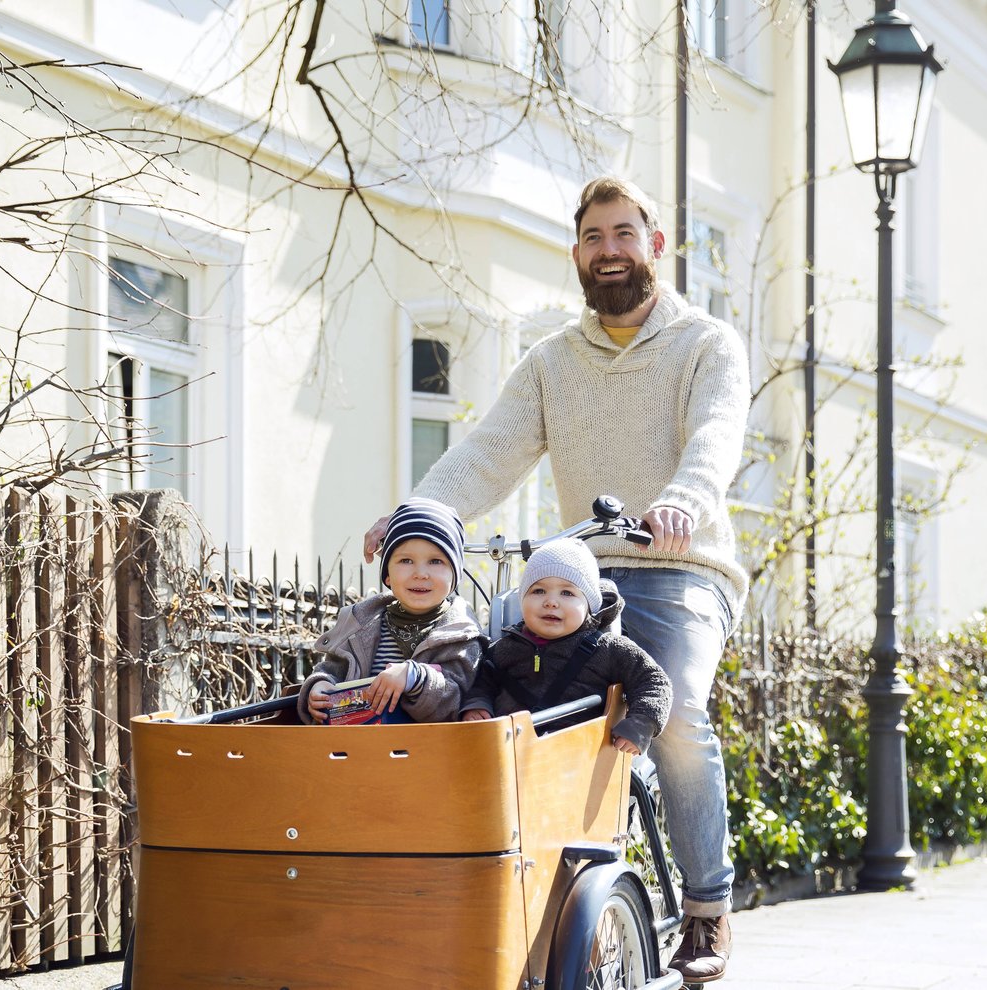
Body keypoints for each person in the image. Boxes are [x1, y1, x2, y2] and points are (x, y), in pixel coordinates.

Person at [365, 176, 749, 981]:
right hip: (579, 572)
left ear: (655, 245)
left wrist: (684, 498)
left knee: (674, 708)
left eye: (623, 234)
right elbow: (489, 450)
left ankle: (708, 912)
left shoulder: (706, 343)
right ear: (577, 254)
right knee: (479, 686)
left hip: (682, 565)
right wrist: (418, 512)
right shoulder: (553, 363)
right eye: (593, 238)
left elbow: (716, 435)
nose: (609, 250)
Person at [459, 540, 671, 759]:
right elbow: (482, 683)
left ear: (589, 604)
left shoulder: (607, 648)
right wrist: (477, 707)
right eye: (538, 591)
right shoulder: (505, 647)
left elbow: (654, 681)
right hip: (513, 757)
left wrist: (641, 723)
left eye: (567, 593)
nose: (551, 601)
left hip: (580, 758)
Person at [299, 498, 482, 724]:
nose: (420, 573)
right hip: (355, 747)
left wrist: (414, 677)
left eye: (435, 561)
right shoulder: (362, 624)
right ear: (387, 575)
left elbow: (455, 700)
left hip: (425, 749)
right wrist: (321, 685)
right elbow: (333, 669)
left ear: (454, 577)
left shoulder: (458, 633)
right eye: (406, 560)